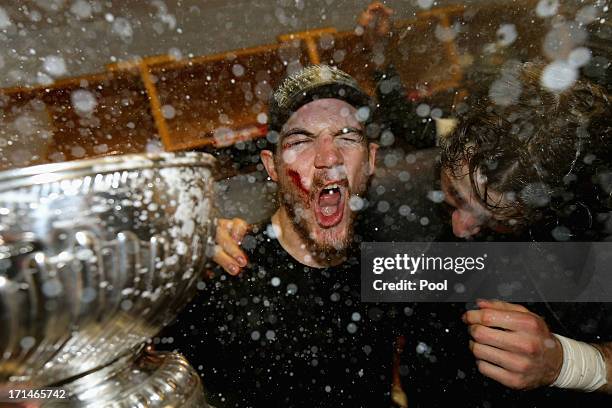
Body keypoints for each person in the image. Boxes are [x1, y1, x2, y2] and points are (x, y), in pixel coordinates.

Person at [162, 65, 421, 407]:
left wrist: (518, 337)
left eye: (346, 136)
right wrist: (177, 255)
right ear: (272, 167)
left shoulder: (389, 263)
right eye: (301, 140)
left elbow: (501, 275)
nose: (330, 159)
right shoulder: (226, 272)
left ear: (371, 158)